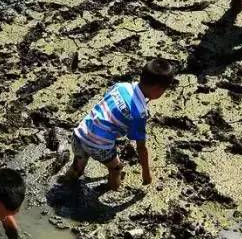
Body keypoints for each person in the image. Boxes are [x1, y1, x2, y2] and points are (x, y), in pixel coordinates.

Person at [61, 59, 175, 191]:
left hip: (81, 133)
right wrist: (146, 173)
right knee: (116, 168)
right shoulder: (139, 112)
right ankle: (113, 189)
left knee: (79, 161)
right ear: (158, 89)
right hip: (100, 145)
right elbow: (141, 147)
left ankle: (66, 183)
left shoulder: (121, 86)